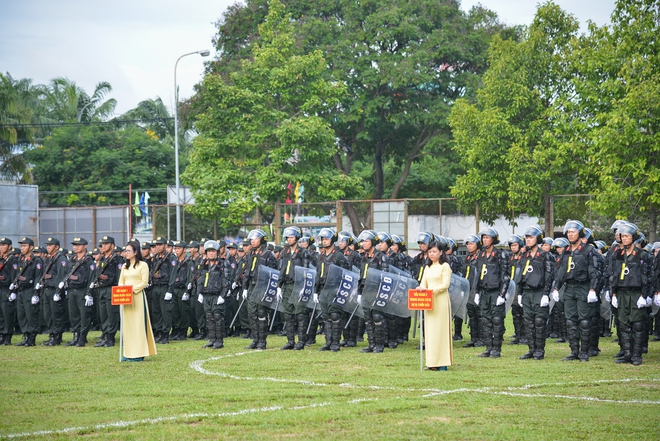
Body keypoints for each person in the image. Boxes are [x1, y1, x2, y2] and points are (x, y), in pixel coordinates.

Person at [552, 220, 600, 362]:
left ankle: (584, 352)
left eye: (573, 232)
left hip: (583, 287)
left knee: (584, 321)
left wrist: (592, 289)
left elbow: (594, 272)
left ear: (580, 233)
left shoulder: (588, 250)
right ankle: (574, 351)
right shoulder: (566, 251)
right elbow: (561, 271)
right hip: (569, 288)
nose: (570, 234)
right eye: (568, 232)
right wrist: (556, 287)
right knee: (570, 321)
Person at [517, 226, 554, 360]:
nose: (528, 240)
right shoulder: (524, 256)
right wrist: (520, 293)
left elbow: (549, 275)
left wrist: (546, 294)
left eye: (531, 237)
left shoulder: (545, 255)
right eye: (527, 238)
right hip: (527, 292)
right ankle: (531, 349)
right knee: (528, 323)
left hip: (539, 292)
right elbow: (521, 275)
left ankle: (539, 350)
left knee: (539, 322)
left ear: (538, 239)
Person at [118, 240, 157, 362]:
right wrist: (122, 290)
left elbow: (144, 282)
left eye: (128, 251)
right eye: (125, 251)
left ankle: (139, 353)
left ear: (135, 252)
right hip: (125, 298)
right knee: (127, 325)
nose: (126, 253)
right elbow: (121, 281)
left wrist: (131, 290)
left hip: (137, 297)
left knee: (138, 324)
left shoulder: (143, 265)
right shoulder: (125, 266)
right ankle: (128, 352)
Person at [475, 227, 511, 358]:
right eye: (483, 237)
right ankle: (488, 347)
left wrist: (502, 294)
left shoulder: (502, 254)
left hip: (496, 292)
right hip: (484, 292)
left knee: (497, 321)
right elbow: (478, 274)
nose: (485, 240)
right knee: (485, 321)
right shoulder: (481, 255)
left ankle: (496, 349)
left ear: (493, 239)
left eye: (487, 237)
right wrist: (477, 292)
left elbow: (506, 276)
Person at [418, 240, 453, 371]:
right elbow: (423, 282)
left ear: (441, 252)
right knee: (430, 332)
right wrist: (421, 288)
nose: (431, 254)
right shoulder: (428, 267)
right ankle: (432, 362)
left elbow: (446, 284)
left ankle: (442, 362)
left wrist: (431, 291)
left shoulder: (445, 266)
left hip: (441, 301)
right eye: (430, 252)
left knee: (441, 331)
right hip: (429, 302)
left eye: (434, 252)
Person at [197, 240, 230, 349]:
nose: (211, 253)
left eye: (213, 251)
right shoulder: (204, 264)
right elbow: (200, 279)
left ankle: (219, 341)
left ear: (217, 252)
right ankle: (212, 339)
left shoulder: (223, 263)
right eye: (209, 251)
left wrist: (223, 295)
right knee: (209, 318)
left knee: (217, 317)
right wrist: (199, 293)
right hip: (206, 295)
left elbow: (226, 280)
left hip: (217, 295)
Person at [94, 236, 123, 348]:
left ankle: (110, 338)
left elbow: (119, 275)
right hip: (102, 289)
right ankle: (105, 336)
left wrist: (107, 278)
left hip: (112, 289)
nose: (103, 246)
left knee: (112, 315)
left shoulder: (117, 258)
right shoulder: (102, 259)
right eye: (102, 244)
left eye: (106, 243)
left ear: (112, 245)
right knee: (103, 315)